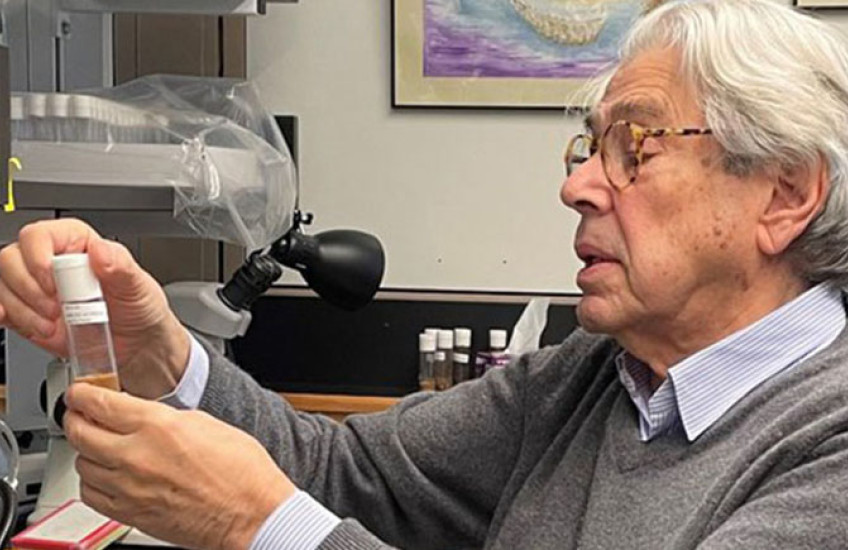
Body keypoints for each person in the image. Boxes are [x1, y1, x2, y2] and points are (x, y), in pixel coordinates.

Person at [2, 0, 848, 548]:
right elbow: (347, 474)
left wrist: (256, 524)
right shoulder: (596, 380)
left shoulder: (828, 456)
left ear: (786, 192)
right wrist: (163, 352)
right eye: (590, 146)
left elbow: (287, 501)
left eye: (634, 145)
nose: (577, 183)